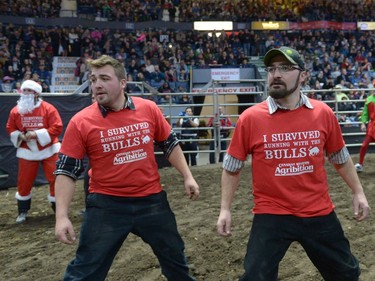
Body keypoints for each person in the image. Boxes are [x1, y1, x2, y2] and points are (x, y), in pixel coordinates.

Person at [216, 46, 370, 281]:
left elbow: (340, 158)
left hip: (317, 210)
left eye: (286, 68)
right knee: (255, 276)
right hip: (271, 213)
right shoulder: (250, 118)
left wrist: (358, 191)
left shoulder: (323, 113)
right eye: (272, 68)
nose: (276, 74)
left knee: (345, 274)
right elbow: (232, 167)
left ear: (303, 75)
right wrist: (225, 208)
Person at [54, 55, 199, 281]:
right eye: (93, 79)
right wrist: (61, 216)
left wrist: (187, 176)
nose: (97, 84)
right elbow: (66, 170)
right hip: (106, 205)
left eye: (104, 78)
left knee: (176, 261)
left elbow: (169, 144)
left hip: (151, 201)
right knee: (85, 270)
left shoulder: (148, 109)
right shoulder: (81, 121)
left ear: (123, 83)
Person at [6, 79, 63, 223]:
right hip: (27, 150)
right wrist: (20, 136)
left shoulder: (48, 108)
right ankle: (22, 211)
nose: (25, 93)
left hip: (49, 149)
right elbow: (10, 128)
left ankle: (59, 210)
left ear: (36, 93)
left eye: (29, 91)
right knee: (24, 182)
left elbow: (57, 127)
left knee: (56, 178)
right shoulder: (16, 111)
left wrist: (36, 134)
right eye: (24, 90)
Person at [355, 87, 375, 173]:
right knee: (364, 146)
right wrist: (363, 123)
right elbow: (365, 113)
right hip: (372, 128)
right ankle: (360, 164)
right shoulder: (369, 99)